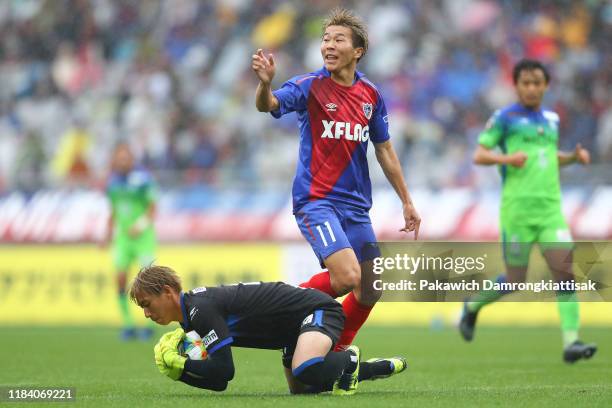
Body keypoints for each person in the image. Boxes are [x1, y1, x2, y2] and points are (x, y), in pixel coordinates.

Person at [252, 7, 420, 350]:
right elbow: (267, 104)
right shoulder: (309, 86)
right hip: (317, 201)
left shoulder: (370, 95)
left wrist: (406, 200)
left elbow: (384, 150)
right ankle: (273, 307)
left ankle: (337, 348)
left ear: (357, 51)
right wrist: (266, 83)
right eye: (325, 39)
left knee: (371, 286)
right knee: (346, 277)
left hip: (356, 206)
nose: (328, 45)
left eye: (338, 39)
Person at [459, 59, 597, 363]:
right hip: (517, 212)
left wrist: (572, 158)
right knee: (515, 279)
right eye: (526, 83)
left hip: (550, 211)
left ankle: (571, 342)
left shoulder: (551, 119)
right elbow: (480, 154)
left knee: (564, 273)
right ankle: (473, 306)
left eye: (537, 83)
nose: (532, 88)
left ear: (546, 86)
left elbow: (546, 156)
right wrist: (507, 160)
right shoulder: (504, 118)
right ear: (517, 85)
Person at [130, 265, 407, 395]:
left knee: (306, 368)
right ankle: (371, 369)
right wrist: (180, 374)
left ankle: (350, 359)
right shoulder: (191, 316)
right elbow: (219, 383)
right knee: (302, 389)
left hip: (315, 310)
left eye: (147, 304)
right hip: (290, 329)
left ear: (167, 292)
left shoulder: (199, 309)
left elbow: (225, 370)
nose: (146, 313)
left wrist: (179, 362)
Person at [103, 142, 157, 340]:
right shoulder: (112, 182)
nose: (122, 161)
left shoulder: (143, 179)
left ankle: (150, 323)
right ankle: (127, 323)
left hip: (143, 237)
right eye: (119, 158)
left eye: (126, 157)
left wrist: (140, 225)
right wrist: (107, 234)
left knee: (148, 281)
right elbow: (113, 210)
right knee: (120, 278)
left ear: (132, 159)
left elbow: (152, 208)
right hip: (123, 239)